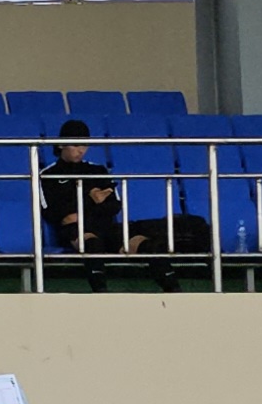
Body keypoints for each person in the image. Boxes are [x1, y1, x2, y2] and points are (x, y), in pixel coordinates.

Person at [40, 119, 199, 291]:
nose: (81, 150)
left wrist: (79, 209)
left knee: (151, 247)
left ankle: (177, 296)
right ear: (62, 144)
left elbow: (114, 206)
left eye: (85, 145)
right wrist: (91, 199)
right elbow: (52, 212)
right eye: (76, 144)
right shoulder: (48, 175)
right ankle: (103, 299)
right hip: (76, 230)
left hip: (106, 227)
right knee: (93, 246)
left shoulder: (97, 171)